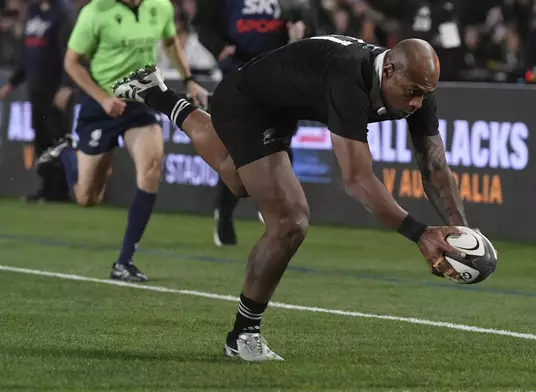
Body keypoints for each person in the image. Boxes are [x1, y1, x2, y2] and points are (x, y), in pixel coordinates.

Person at [113, 34, 469, 361]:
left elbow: (434, 165)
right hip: (245, 100)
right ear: (388, 69)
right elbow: (358, 180)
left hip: (283, 105)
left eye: (424, 94)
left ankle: (158, 94)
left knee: (238, 181)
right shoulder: (351, 79)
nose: (416, 102)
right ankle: (243, 335)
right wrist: (421, 234)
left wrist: (461, 234)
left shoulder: (417, 84)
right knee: (289, 221)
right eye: (411, 92)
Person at [36, 0, 209, 282]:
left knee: (152, 168)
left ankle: (124, 262)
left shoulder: (160, 6)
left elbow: (169, 40)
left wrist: (189, 79)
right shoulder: (95, 12)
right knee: (88, 197)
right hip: (101, 104)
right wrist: (103, 98)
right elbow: (71, 62)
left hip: (140, 101)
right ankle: (67, 152)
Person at [192, 0, 309, 246]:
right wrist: (219, 46)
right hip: (239, 73)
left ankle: (275, 203)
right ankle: (225, 215)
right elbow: (203, 22)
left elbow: (311, 21)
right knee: (239, 149)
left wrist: (302, 34)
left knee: (280, 140)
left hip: (280, 73)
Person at [0, 0, 76, 202]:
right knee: (41, 140)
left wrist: (67, 85)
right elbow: (28, 54)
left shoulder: (63, 13)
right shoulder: (33, 11)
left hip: (55, 88)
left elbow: (71, 52)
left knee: (57, 138)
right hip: (36, 88)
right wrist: (13, 82)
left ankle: (61, 190)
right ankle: (46, 187)